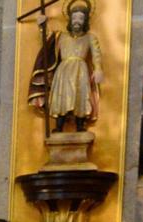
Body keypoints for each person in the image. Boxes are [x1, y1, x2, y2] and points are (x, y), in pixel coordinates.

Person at [28, 0, 104, 132]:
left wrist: (98, 69)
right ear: (70, 18)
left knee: (81, 95)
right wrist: (42, 25)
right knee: (61, 96)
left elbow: (96, 54)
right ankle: (59, 126)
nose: (77, 20)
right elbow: (46, 42)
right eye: (74, 17)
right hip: (63, 71)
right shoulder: (60, 36)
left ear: (85, 20)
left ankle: (80, 125)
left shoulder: (90, 37)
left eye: (81, 18)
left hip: (81, 70)